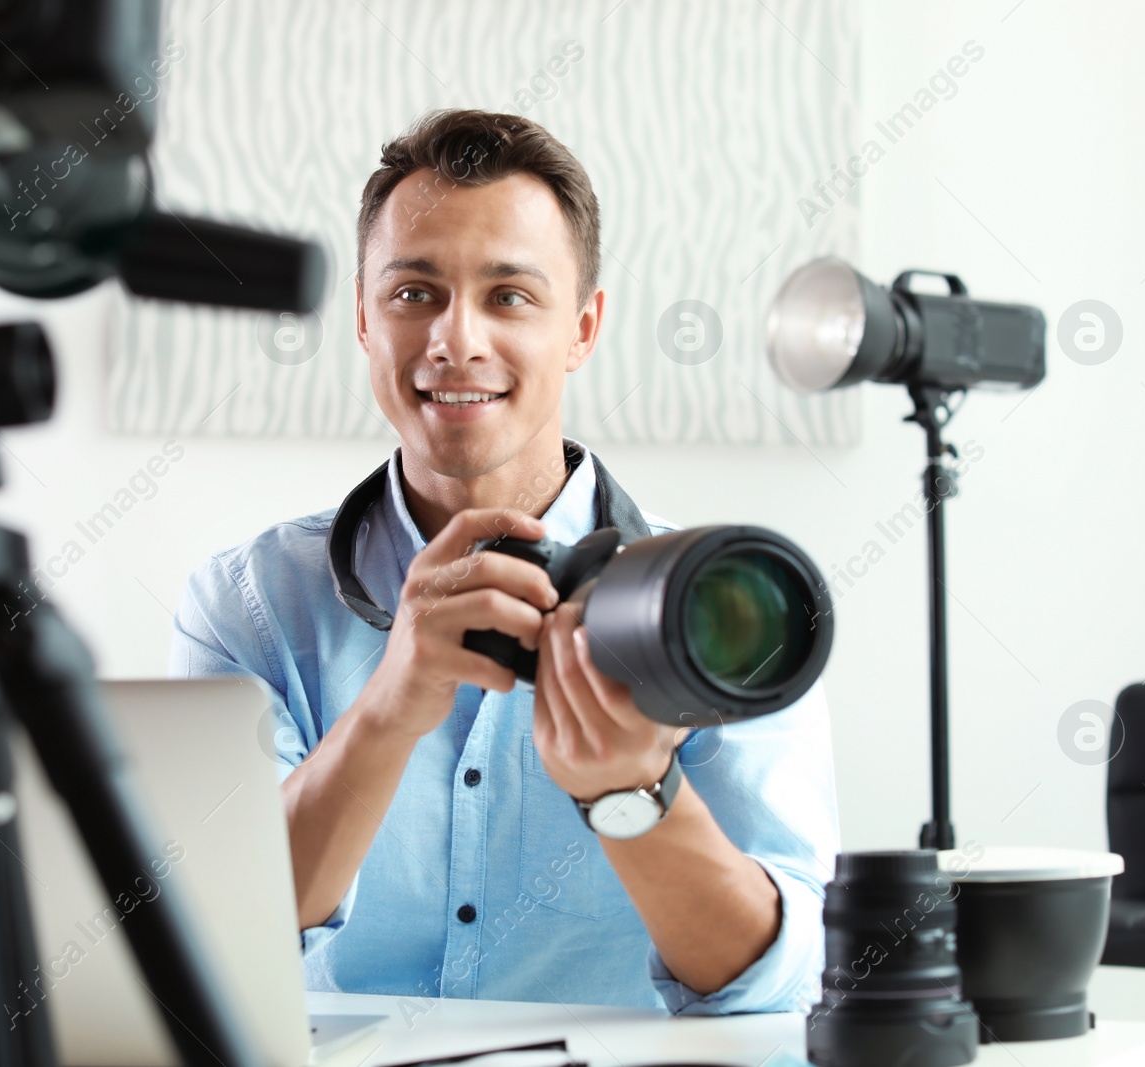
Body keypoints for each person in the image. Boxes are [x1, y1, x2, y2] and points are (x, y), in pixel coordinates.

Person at [170, 108, 838, 1015]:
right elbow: (211, 936)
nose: (457, 340)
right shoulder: (246, 603)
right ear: (365, 322)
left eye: (510, 295)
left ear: (584, 328)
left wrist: (628, 794)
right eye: (413, 293)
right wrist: (388, 708)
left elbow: (775, 982)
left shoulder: (731, 604)